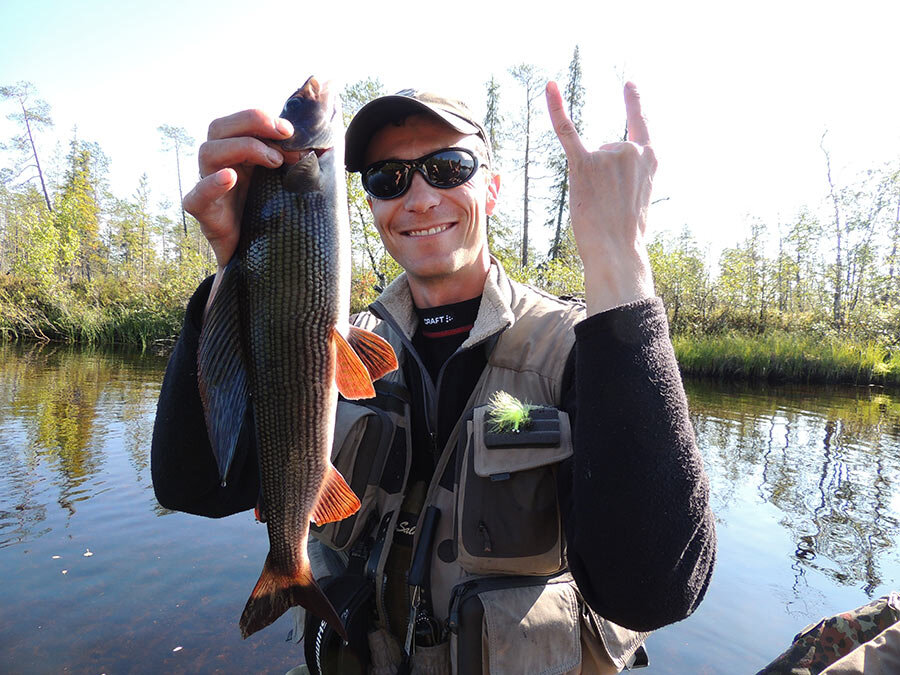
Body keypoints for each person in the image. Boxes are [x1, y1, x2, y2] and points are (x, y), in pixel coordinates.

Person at [152, 79, 716, 674]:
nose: (419, 197)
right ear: (367, 205)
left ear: (492, 188)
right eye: (388, 178)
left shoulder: (586, 349)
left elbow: (655, 591)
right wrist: (241, 267)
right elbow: (191, 489)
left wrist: (619, 263)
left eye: (448, 167)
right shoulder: (328, 345)